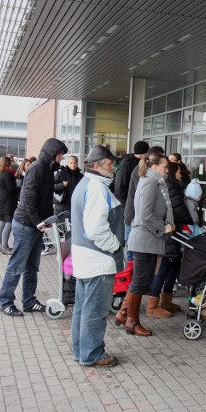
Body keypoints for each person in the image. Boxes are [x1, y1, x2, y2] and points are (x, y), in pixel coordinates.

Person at [0, 138, 68, 317]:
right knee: (17, 266)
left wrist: (46, 220)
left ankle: (29, 301)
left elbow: (44, 196)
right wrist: (38, 221)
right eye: (60, 154)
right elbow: (28, 197)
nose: (62, 158)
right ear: (53, 153)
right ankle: (6, 302)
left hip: (37, 226)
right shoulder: (37, 168)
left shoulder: (47, 169)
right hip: (25, 225)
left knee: (32, 267)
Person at [70, 145, 123, 367]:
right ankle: (92, 354)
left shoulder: (86, 184)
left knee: (83, 309)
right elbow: (95, 229)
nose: (114, 166)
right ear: (96, 165)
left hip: (86, 258)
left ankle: (80, 350)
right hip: (97, 260)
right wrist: (115, 245)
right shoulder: (97, 189)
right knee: (94, 312)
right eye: (110, 163)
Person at [115, 152, 174, 336]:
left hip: (148, 240)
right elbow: (144, 214)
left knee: (142, 281)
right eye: (165, 167)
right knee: (140, 282)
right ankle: (131, 321)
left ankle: (124, 313)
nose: (167, 170)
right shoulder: (150, 183)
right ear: (155, 167)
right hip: (144, 240)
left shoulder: (155, 182)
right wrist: (162, 228)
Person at [147, 161, 192, 318]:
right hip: (170, 232)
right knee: (166, 265)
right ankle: (152, 305)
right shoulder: (172, 188)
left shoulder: (172, 186)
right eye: (179, 171)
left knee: (174, 265)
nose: (181, 174)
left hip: (174, 231)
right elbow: (180, 211)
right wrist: (193, 220)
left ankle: (166, 300)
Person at [122, 145, 165, 262]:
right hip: (134, 219)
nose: (166, 170)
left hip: (137, 220)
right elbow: (144, 207)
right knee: (133, 260)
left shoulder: (146, 174)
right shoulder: (145, 176)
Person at [114, 140, 149, 261]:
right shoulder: (128, 164)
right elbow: (119, 187)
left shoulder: (136, 163)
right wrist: (126, 205)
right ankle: (128, 272)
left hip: (132, 206)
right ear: (144, 153)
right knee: (130, 243)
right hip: (129, 208)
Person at [0, 156, 18, 255]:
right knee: (9, 223)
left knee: (2, 222)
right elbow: (11, 188)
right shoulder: (8, 173)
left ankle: (0, 245)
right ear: (8, 163)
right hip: (8, 201)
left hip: (1, 200)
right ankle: (5, 247)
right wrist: (19, 187)